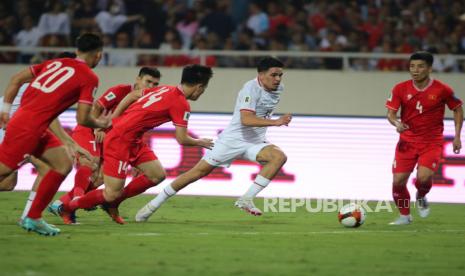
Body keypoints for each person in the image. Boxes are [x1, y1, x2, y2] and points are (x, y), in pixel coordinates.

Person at [49, 64, 214, 224]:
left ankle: (111, 204)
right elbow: (182, 139)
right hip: (120, 140)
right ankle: (68, 207)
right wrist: (200, 142)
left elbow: (132, 95)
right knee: (111, 192)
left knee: (157, 175)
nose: (202, 93)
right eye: (204, 89)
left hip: (134, 139)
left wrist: (115, 118)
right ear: (199, 87)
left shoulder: (166, 88)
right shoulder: (181, 104)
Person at [135, 56, 292, 222]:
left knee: (279, 157)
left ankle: (246, 199)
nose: (278, 79)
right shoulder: (250, 89)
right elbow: (246, 119)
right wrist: (276, 122)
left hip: (255, 142)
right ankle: (153, 205)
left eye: (280, 75)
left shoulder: (279, 88)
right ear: (261, 75)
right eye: (274, 75)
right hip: (232, 141)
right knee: (195, 174)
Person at [0, 33, 111, 236]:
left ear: (78, 50)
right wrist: (100, 122)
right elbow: (82, 118)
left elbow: (16, 79)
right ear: (98, 56)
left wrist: (6, 110)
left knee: (63, 163)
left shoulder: (56, 63)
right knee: (3, 176)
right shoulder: (89, 77)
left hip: (34, 124)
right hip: (28, 127)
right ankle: (32, 216)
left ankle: (33, 217)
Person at [54, 67, 161, 224]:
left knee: (101, 178)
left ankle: (64, 204)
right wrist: (99, 127)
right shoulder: (120, 91)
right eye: (148, 81)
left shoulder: (148, 100)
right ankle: (76, 199)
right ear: (138, 79)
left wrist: (134, 157)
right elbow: (97, 107)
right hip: (90, 128)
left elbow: (136, 126)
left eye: (155, 84)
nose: (151, 86)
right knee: (91, 162)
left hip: (112, 137)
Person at [385, 51, 463, 225]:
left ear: (429, 68)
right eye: (412, 66)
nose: (415, 70)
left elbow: (457, 108)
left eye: (420, 66)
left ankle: (421, 196)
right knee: (398, 181)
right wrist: (396, 123)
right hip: (406, 142)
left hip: (431, 142)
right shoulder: (400, 88)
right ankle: (405, 216)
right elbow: (391, 114)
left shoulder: (442, 89)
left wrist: (457, 136)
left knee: (423, 178)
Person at [0, 52, 77, 224]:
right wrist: (65, 140)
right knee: (46, 169)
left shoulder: (43, 80)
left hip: (15, 126)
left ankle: (29, 216)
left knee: (8, 183)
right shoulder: (48, 85)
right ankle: (29, 216)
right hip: (13, 128)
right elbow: (47, 115)